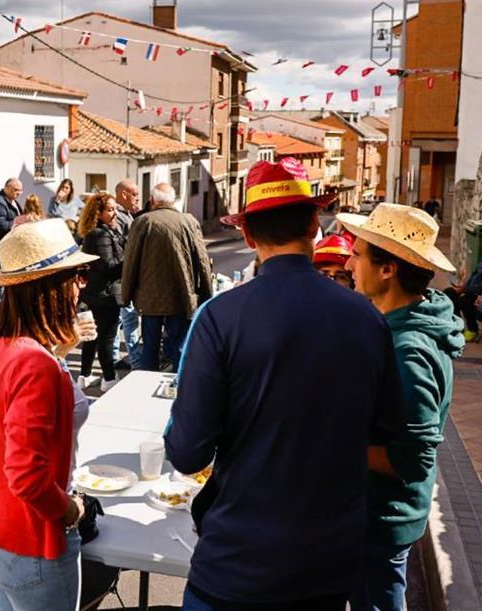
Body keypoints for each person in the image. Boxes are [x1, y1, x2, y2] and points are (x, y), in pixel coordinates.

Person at [165, 159, 403, 610]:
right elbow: (384, 433)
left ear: (248, 236)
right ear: (316, 225)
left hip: (238, 563)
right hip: (327, 566)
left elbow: (186, 451)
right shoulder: (367, 318)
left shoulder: (219, 317)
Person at [0, 218, 98, 611]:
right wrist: (70, 510)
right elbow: (27, 476)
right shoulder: (36, 363)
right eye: (79, 275)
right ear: (54, 285)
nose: (81, 287)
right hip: (33, 540)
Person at [339, 202, 465, 611]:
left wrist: (326, 444)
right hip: (372, 513)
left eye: (357, 254)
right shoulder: (395, 326)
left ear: (388, 268)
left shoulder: (407, 351)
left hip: (382, 520)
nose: (348, 261)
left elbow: (413, 459)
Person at [121, 182, 212, 371]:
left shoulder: (143, 222)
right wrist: (206, 295)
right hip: (181, 295)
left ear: (152, 200)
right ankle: (179, 389)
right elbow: (202, 261)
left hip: (149, 298)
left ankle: (146, 388)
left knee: (150, 349)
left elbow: (130, 262)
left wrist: (126, 295)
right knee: (179, 346)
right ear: (173, 201)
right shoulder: (189, 221)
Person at [77, 192, 124, 392]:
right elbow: (109, 266)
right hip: (105, 295)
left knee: (92, 337)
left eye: (116, 209)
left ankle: (85, 376)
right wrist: (130, 258)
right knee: (106, 338)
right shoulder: (101, 234)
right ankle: (109, 379)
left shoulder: (97, 232)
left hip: (95, 294)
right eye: (110, 210)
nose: (115, 214)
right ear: (99, 213)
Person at [444, 235, 482, 342]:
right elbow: (472, 277)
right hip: (470, 290)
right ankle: (457, 325)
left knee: (464, 300)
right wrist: (462, 287)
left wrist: (465, 290)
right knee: (448, 293)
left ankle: (472, 330)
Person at [112, 179, 142, 369]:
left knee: (120, 320)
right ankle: (135, 361)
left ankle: (116, 357)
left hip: (123, 276)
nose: (137, 199)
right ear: (123, 194)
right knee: (129, 318)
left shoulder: (126, 215)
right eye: (134, 195)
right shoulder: (120, 217)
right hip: (123, 277)